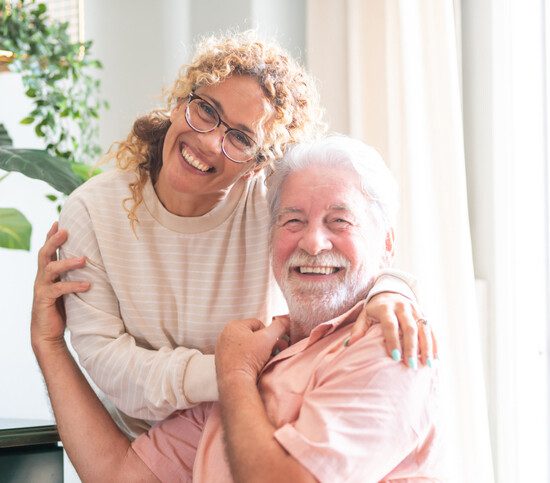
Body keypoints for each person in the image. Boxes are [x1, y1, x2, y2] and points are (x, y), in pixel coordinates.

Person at [32, 31, 435, 438]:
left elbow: (345, 242)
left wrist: (391, 289)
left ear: (260, 164)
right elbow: (107, 364)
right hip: (145, 451)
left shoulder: (270, 204)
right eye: (205, 110)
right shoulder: (91, 213)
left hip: (255, 430)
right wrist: (228, 370)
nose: (209, 141)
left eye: (240, 138)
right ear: (178, 104)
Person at [32, 135, 444, 482]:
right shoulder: (261, 353)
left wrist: (234, 376)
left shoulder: (391, 346)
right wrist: (50, 346)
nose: (313, 243)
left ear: (386, 244)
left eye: (340, 221)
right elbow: (118, 475)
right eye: (293, 221)